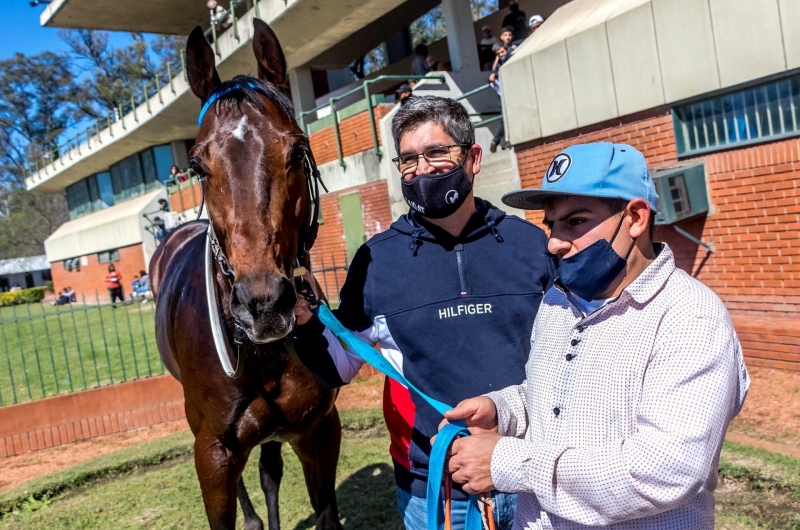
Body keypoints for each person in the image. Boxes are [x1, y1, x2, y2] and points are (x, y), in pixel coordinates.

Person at [437, 142, 750, 529]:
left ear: (635, 217)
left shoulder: (689, 316)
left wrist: (506, 462)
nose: (553, 241)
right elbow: (558, 397)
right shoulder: (557, 300)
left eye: (576, 221)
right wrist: (505, 409)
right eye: (551, 224)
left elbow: (666, 471)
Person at [292, 95, 555, 530]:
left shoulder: (531, 246)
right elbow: (340, 366)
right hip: (435, 494)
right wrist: (305, 326)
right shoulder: (376, 262)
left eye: (437, 153)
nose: (422, 169)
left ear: (472, 158)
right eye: (409, 160)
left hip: (532, 479)